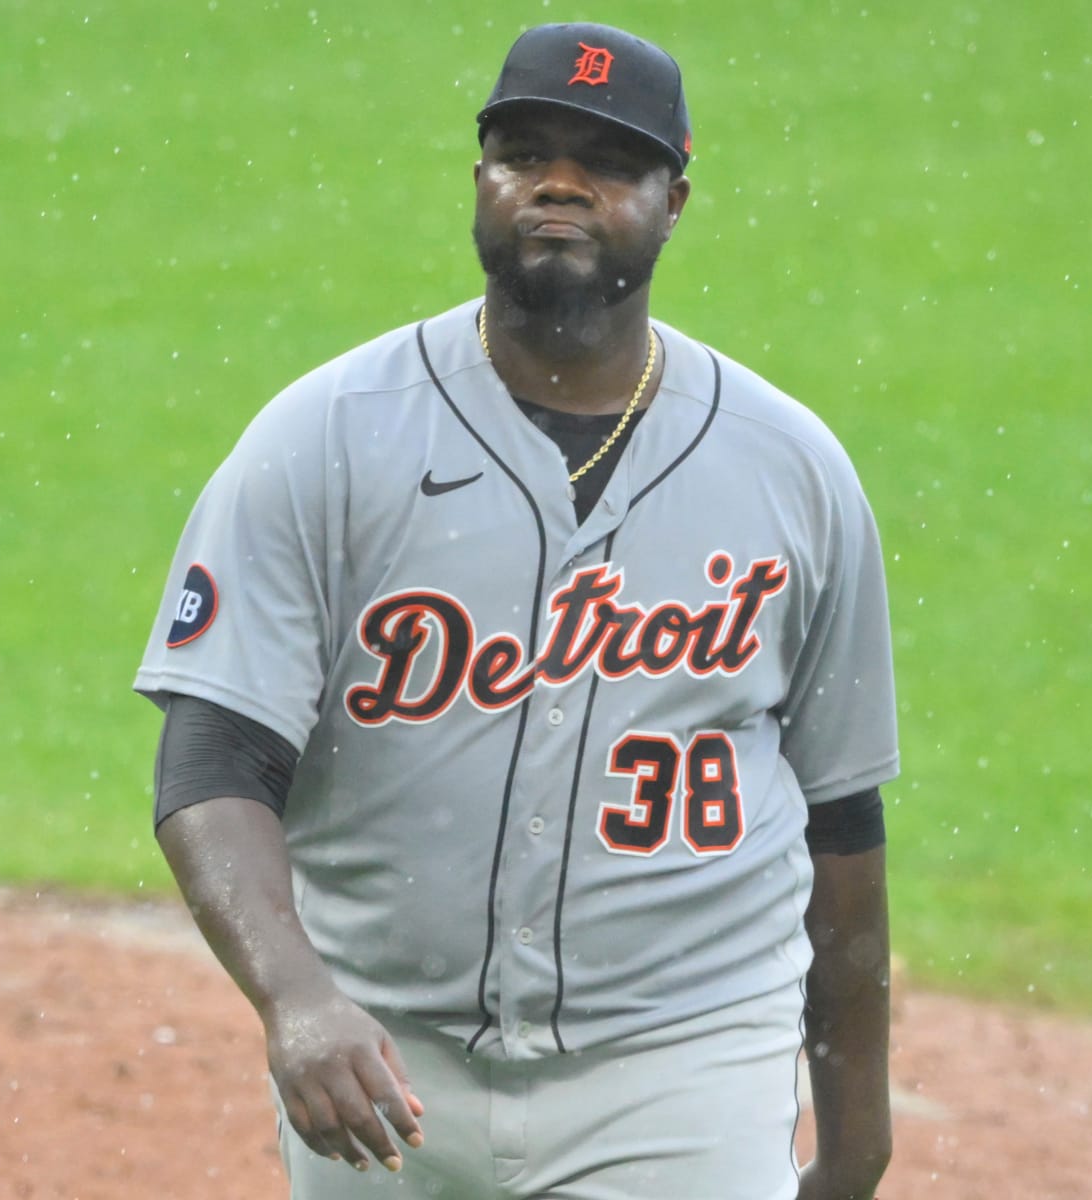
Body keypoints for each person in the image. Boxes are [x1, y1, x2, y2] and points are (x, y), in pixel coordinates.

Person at [135, 21, 897, 1200]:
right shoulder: (325, 439)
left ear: (674, 200)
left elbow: (842, 821)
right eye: (524, 152)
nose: (558, 182)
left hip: (682, 1059)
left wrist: (857, 1135)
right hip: (380, 1062)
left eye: (607, 161)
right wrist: (296, 998)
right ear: (479, 181)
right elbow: (210, 760)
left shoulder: (790, 469)